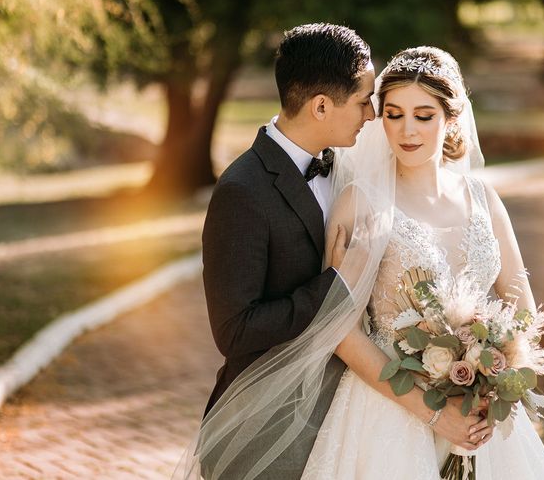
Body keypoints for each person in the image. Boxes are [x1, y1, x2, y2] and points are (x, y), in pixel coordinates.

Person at [175, 27, 489, 479]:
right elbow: (234, 331)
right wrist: (334, 286)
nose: (373, 115)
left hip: (359, 418)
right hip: (271, 422)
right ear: (321, 106)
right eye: (365, 101)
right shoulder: (243, 190)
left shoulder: (352, 165)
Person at [300, 46, 544, 479]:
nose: (407, 130)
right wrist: (437, 415)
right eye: (393, 114)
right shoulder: (358, 205)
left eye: (424, 116)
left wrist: (489, 390)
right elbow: (340, 331)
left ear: (451, 118)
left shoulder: (485, 200)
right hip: (387, 413)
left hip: (482, 420)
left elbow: (523, 314)